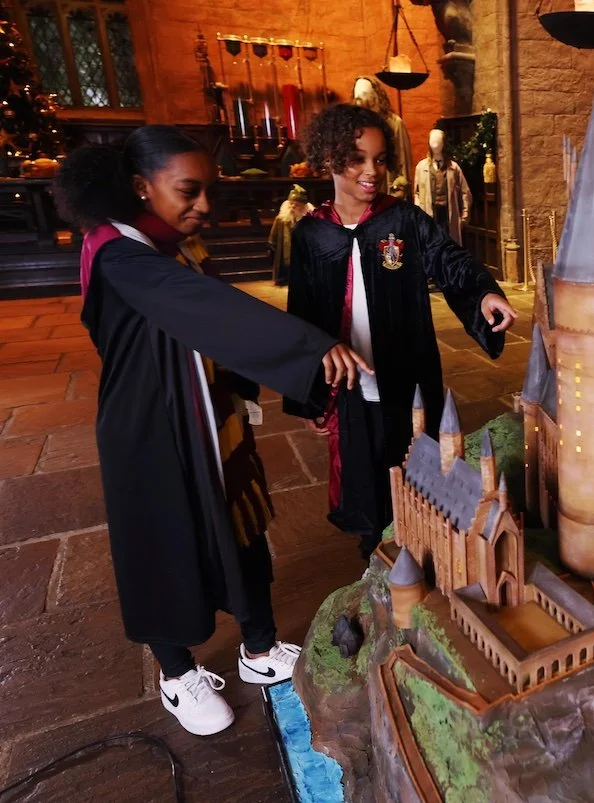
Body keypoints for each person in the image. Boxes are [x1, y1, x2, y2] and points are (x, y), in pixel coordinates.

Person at [55, 126, 371, 737]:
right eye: (188, 191)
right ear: (141, 186)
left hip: (206, 414)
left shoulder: (171, 243)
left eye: (209, 192)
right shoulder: (116, 251)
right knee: (164, 544)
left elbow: (218, 323)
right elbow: (205, 310)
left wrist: (261, 391)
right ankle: (176, 674)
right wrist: (312, 349)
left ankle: (257, 649)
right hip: (150, 429)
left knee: (241, 526)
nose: (204, 206)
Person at [287, 104, 517, 559]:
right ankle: (375, 555)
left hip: (405, 375)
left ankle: (424, 549)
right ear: (330, 159)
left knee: (415, 465)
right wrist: (311, 395)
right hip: (349, 384)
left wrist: (484, 293)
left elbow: (448, 260)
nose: (372, 171)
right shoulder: (312, 235)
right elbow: (304, 317)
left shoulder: (404, 221)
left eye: (379, 159)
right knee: (363, 474)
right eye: (357, 159)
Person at [352, 76, 413, 196]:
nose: (360, 100)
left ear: (375, 96)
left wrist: (400, 189)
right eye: (357, 96)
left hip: (387, 188)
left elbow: (403, 160)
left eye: (364, 94)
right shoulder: (353, 126)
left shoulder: (394, 123)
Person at [413, 128, 472, 245]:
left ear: (443, 144)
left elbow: (465, 193)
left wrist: (464, 217)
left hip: (448, 215)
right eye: (433, 142)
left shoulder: (454, 168)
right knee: (431, 245)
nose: (436, 145)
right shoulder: (421, 167)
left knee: (449, 246)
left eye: (439, 142)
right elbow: (417, 193)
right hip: (430, 214)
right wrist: (419, 212)